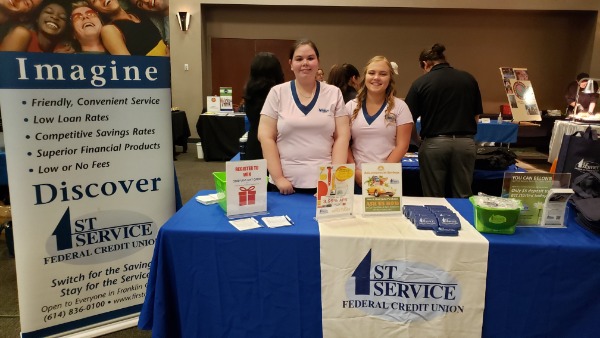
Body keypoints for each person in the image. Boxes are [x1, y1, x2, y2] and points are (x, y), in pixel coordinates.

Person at [258, 39, 350, 195]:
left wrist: (332, 178)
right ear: (291, 63)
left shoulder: (334, 93)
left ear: (318, 62)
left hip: (324, 184)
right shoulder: (277, 93)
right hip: (284, 184)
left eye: (310, 58)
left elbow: (342, 136)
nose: (305, 63)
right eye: (299, 59)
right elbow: (265, 136)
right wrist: (279, 178)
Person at [405, 43, 483, 198]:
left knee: (433, 196)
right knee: (463, 194)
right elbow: (476, 116)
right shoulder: (468, 79)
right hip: (465, 144)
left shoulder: (421, 83)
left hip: (434, 144)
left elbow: (408, 120)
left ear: (425, 64)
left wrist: (418, 141)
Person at [347, 56, 413, 191]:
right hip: (356, 177)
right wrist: (354, 171)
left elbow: (403, 145)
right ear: (364, 76)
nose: (376, 77)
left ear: (390, 79)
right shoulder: (350, 106)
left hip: (387, 178)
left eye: (383, 74)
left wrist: (380, 173)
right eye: (372, 73)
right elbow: (343, 142)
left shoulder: (400, 107)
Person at [86, 0, 167, 56]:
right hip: (156, 73)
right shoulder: (109, 30)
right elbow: (129, 68)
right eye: (95, 0)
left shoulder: (138, 10)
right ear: (95, 10)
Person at [242, 52, 284, 160]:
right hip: (275, 144)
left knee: (256, 175)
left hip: (254, 142)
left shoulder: (250, 92)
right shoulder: (278, 94)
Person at [1, 0, 70, 52]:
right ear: (37, 18)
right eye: (48, 12)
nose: (55, 17)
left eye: (26, 3)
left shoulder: (62, 49)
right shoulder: (21, 33)